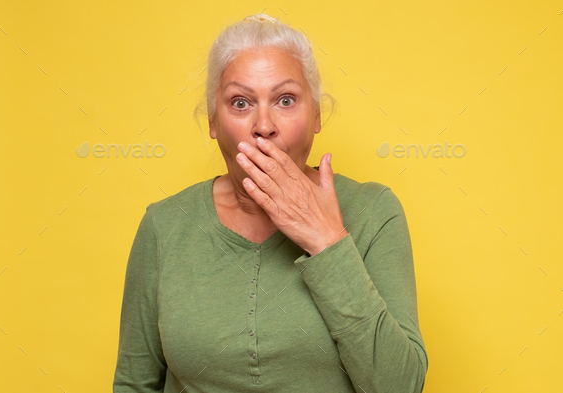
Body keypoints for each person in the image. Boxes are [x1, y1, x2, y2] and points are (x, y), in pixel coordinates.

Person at [113, 13, 428, 393]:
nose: (264, 125)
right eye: (241, 102)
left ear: (316, 116)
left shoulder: (375, 212)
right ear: (213, 121)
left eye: (285, 99)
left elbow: (400, 386)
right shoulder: (163, 227)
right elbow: (134, 383)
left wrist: (327, 240)